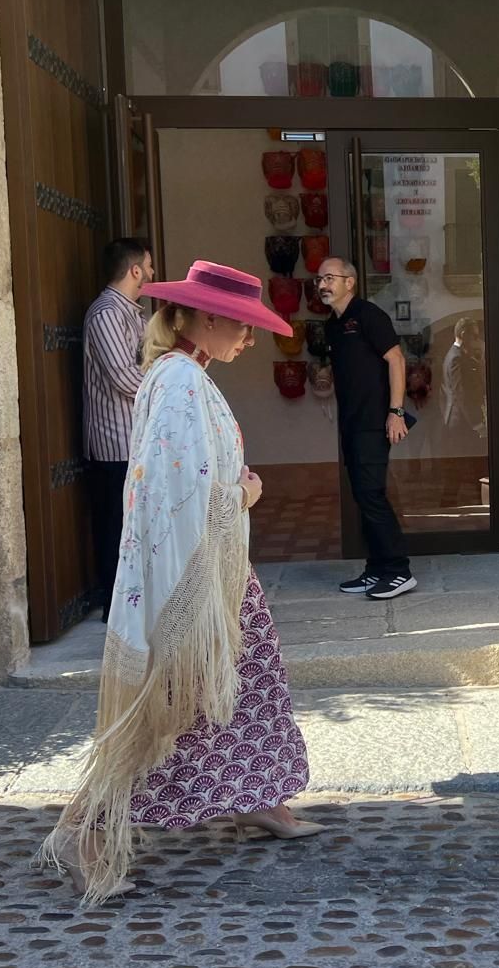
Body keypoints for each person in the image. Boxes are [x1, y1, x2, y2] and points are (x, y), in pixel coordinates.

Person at [41, 259, 322, 904]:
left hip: (214, 570)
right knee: (167, 708)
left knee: (247, 686)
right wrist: (244, 495)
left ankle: (257, 794)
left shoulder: (184, 376)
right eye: (242, 325)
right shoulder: (178, 383)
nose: (249, 338)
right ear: (204, 317)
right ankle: (84, 829)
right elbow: (175, 493)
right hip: (192, 579)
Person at [317, 258, 416, 599]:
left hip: (374, 422)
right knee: (362, 495)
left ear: (350, 282)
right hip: (352, 423)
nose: (323, 285)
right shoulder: (333, 325)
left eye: (330, 278)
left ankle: (398, 571)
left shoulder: (368, 315)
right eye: (319, 279)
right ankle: (377, 569)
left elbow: (396, 360)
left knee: (371, 494)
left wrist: (396, 412)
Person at [83, 237, 154, 618]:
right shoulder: (106, 314)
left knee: (135, 525)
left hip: (136, 440)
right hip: (116, 442)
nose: (153, 273)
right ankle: (117, 608)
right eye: (149, 266)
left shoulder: (133, 314)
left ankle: (134, 602)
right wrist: (166, 386)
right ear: (135, 270)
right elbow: (124, 377)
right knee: (116, 526)